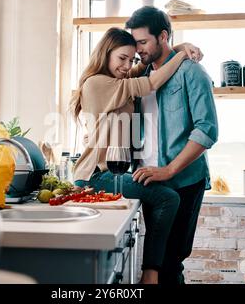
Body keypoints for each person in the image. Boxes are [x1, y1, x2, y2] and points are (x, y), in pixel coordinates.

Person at [70, 27, 202, 284]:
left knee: (164, 198)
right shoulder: (97, 83)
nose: (127, 65)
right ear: (105, 53)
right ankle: (150, 274)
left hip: (112, 172)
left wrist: (177, 46)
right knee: (168, 199)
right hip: (96, 176)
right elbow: (151, 81)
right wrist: (182, 55)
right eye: (122, 58)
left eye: (131, 60)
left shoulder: (117, 82)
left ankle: (154, 272)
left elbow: (146, 66)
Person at [126, 6, 219, 285]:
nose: (137, 49)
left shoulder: (193, 73)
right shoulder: (140, 76)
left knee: (169, 262)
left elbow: (207, 130)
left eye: (143, 42)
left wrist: (168, 170)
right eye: (135, 43)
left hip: (183, 180)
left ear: (162, 36)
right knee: (155, 263)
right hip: (147, 179)